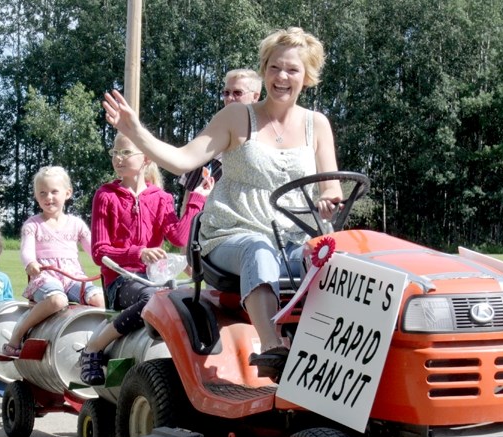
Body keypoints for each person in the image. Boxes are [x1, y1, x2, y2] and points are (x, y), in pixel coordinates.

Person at [102, 27, 344, 379]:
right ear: (264, 70)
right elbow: (182, 160)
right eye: (275, 67)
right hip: (234, 233)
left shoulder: (316, 125)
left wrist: (328, 200)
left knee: (345, 264)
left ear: (306, 76)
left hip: (295, 238)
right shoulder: (237, 118)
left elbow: (330, 187)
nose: (282, 77)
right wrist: (137, 131)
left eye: (292, 69)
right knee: (258, 249)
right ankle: (273, 347)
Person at [77, 133, 206, 385]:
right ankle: (93, 348)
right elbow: (99, 252)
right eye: (114, 153)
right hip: (121, 282)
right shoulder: (106, 195)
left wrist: (197, 197)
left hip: (153, 279)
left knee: (192, 297)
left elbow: (179, 238)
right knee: (152, 298)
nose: (118, 158)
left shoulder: (161, 198)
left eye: (125, 153)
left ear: (146, 158)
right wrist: (138, 252)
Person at [2, 166, 105, 356]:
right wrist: (30, 263)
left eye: (54, 192)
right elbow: (26, 250)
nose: (49, 197)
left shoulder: (76, 224)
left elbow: (95, 249)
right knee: (57, 300)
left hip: (73, 277)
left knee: (99, 299)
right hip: (45, 277)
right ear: (36, 196)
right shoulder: (33, 225)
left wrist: (106, 262)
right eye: (43, 193)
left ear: (68, 193)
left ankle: (97, 343)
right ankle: (20, 330)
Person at [178, 68, 262, 198]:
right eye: (226, 93)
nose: (230, 98)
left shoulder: (266, 137)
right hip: (208, 215)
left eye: (237, 93)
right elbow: (191, 191)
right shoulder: (209, 135)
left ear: (255, 97)